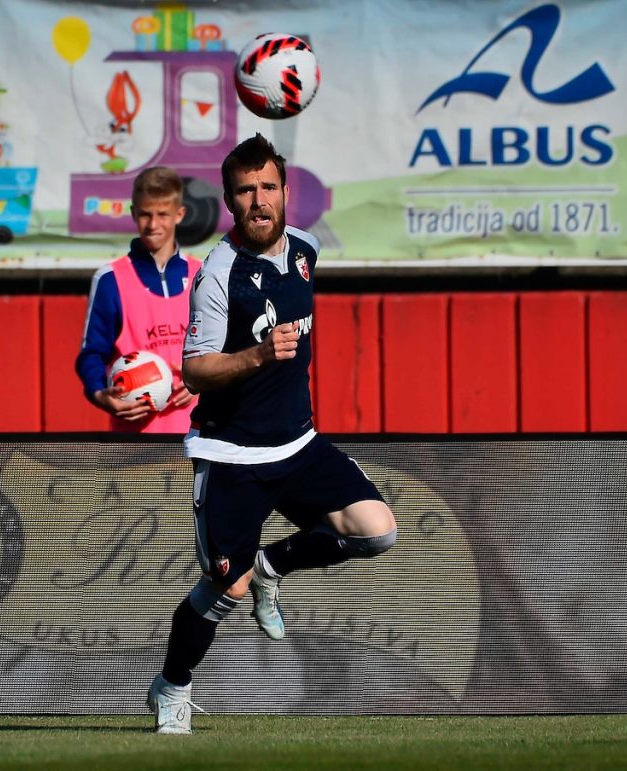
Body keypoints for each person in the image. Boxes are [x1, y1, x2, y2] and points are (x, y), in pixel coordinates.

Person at [146, 134, 398, 733]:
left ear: (285, 193)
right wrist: (258, 356)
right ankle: (172, 688)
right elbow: (194, 369)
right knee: (222, 589)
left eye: (267, 188)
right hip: (233, 454)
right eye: (244, 191)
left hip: (298, 444)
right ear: (231, 202)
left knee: (377, 532)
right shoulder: (218, 274)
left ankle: (272, 566)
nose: (258, 201)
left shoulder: (307, 249)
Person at [75, 166, 201, 433]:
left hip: (201, 435)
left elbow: (227, 349)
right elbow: (92, 354)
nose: (153, 225)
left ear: (179, 214)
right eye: (145, 214)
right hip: (135, 443)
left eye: (162, 215)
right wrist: (100, 394)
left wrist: (202, 383)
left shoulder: (203, 274)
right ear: (133, 213)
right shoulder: (110, 279)